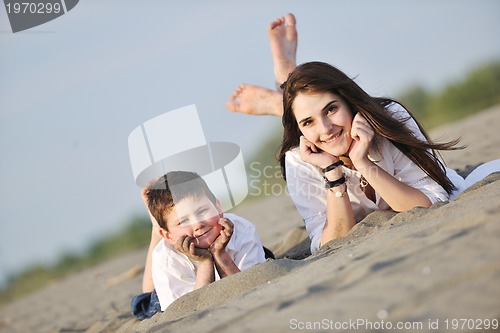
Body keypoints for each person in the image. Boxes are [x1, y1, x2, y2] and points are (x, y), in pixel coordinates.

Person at [226, 14, 500, 254]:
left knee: (313, 114)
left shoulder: (389, 118)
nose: (325, 128)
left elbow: (431, 201)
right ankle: (283, 94)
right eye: (307, 122)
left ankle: (283, 94)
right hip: (312, 144)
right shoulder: (300, 157)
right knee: (311, 120)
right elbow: (328, 243)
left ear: (349, 101)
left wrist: (365, 164)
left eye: (332, 109)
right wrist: (333, 174)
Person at [131, 171, 267, 319]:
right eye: (183, 221)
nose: (198, 224)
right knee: (146, 301)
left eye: (202, 211)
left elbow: (248, 284)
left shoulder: (242, 229)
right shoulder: (166, 258)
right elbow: (191, 309)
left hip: (232, 264)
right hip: (181, 291)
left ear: (219, 208)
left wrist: (220, 255)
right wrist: (204, 262)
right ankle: (157, 230)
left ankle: (166, 224)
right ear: (169, 236)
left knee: (265, 257)